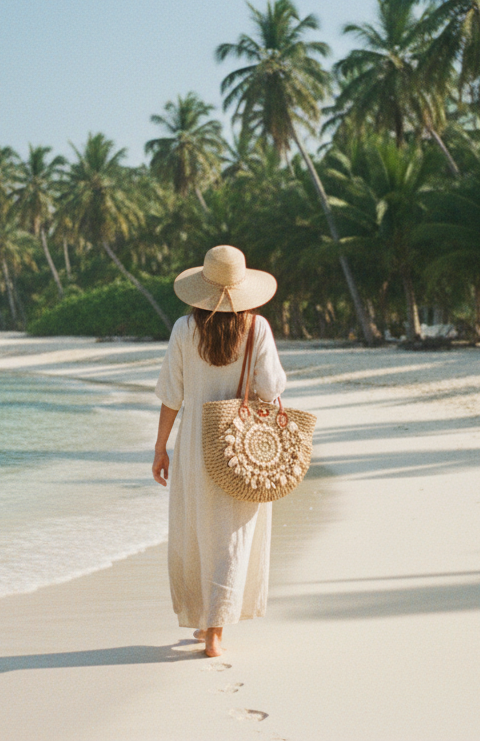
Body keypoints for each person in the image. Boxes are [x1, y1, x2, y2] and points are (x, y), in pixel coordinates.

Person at [152, 245, 287, 658]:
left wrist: (160, 448)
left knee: (197, 531)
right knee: (233, 534)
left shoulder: (182, 329)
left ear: (203, 286)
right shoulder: (257, 327)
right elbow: (271, 388)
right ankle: (216, 630)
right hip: (243, 444)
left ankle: (205, 620)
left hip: (195, 442)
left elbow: (171, 396)